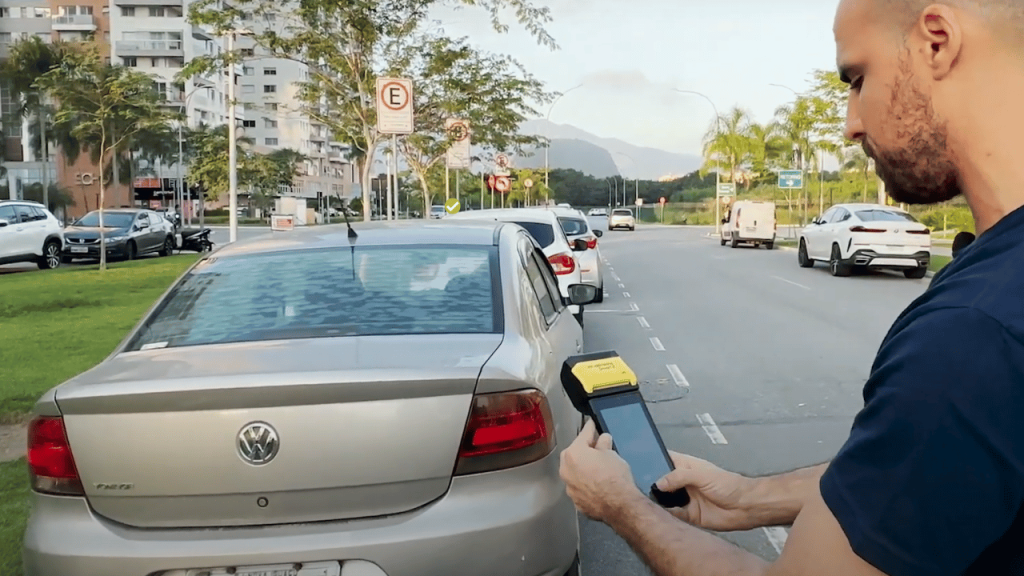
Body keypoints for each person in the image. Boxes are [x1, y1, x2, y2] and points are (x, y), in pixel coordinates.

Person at [559, 0, 1024, 574]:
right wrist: (746, 498)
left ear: (937, 41)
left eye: (858, 79)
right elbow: (927, 471)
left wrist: (622, 505)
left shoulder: (974, 332)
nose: (851, 123)